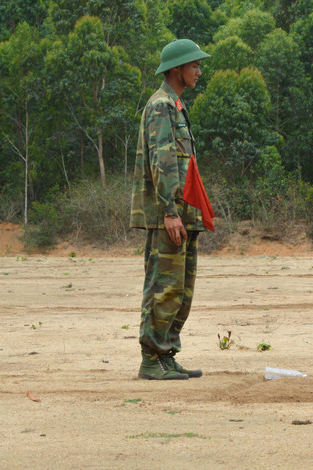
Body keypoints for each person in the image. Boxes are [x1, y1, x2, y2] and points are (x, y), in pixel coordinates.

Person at [131, 39, 211, 380]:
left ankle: (167, 354)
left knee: (181, 289)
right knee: (163, 287)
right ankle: (151, 360)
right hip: (170, 215)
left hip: (183, 213)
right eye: (194, 65)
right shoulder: (160, 105)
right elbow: (162, 160)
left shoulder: (176, 105)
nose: (199, 70)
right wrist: (169, 210)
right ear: (176, 69)